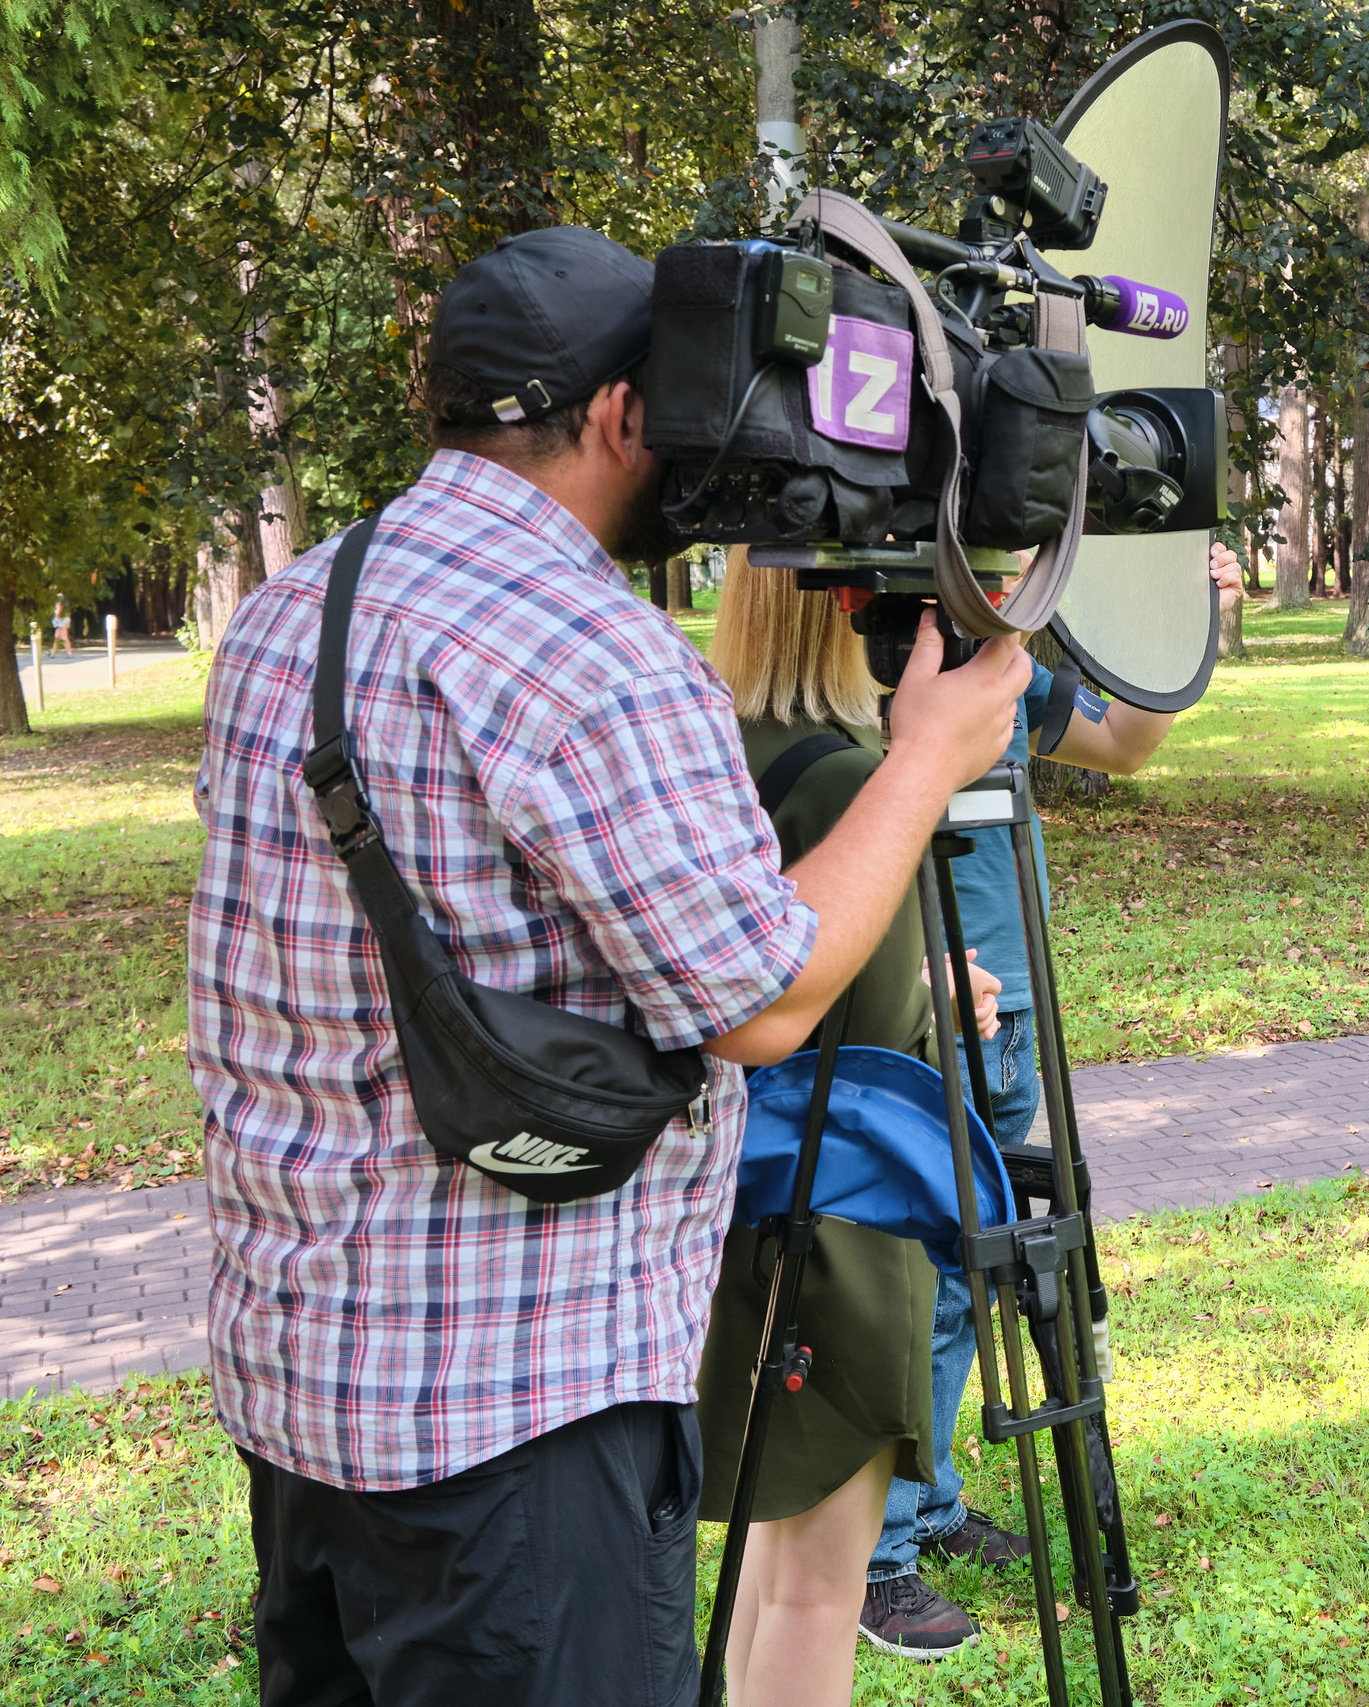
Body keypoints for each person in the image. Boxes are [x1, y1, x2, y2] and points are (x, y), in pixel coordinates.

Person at [188, 224, 1029, 1706]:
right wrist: (929, 757)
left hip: (304, 1395)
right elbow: (761, 996)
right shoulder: (593, 649)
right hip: (519, 1420)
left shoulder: (288, 614)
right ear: (625, 414)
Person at [861, 538, 1244, 1657]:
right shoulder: (854, 672)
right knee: (883, 1280)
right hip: (900, 1016)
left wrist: (1188, 634)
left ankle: (926, 1505)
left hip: (1005, 1016)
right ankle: (872, 1555)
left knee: (958, 1279)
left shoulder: (1002, 669)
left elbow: (1126, 742)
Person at [696, 566, 1005, 1707]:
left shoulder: (718, 740)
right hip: (841, 1214)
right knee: (819, 1589)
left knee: (761, 1576)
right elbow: (873, 1042)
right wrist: (944, 1000)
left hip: (732, 1202)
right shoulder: (843, 779)